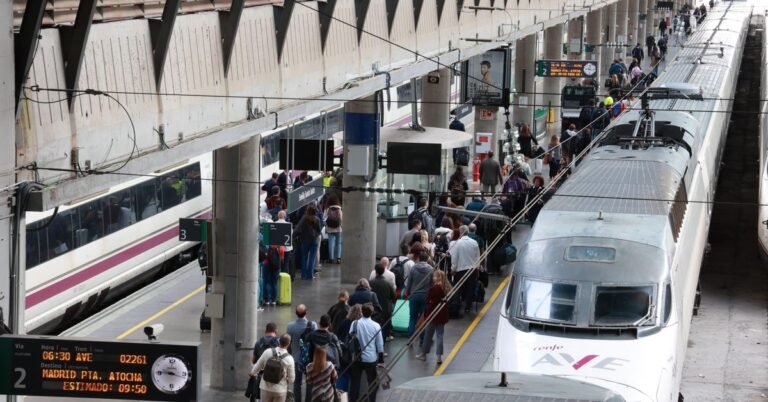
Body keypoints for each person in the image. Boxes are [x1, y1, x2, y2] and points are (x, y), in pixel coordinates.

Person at [348, 304, 384, 402]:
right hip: (371, 358)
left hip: (357, 358)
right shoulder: (376, 326)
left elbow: (350, 337)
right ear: (371, 313)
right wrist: (381, 357)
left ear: (361, 312)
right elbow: (379, 343)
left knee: (355, 382)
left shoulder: (354, 324)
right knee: (372, 383)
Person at [414, 270, 452, 364]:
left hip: (433, 315)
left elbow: (429, 301)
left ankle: (423, 354)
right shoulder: (446, 287)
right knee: (440, 335)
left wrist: (426, 312)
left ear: (438, 277)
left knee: (428, 335)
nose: (433, 278)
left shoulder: (435, 288)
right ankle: (439, 357)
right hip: (442, 315)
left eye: (434, 276)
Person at [251, 334, 295, 402]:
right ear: (289, 344)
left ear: (279, 341)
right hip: (280, 389)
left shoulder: (268, 351)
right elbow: (291, 380)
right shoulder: (289, 359)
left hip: (265, 388)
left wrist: (253, 373)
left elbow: (258, 365)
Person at [287, 305, 317, 402]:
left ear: (296, 313)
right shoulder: (312, 325)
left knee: (297, 383)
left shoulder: (290, 326)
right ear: (306, 312)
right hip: (309, 358)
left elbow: (288, 343)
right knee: (310, 382)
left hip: (296, 358)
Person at [450, 226, 480, 315]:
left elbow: (455, 258)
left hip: (460, 269)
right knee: (470, 288)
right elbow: (478, 257)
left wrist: (453, 269)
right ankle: (468, 307)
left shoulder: (457, 243)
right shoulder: (474, 242)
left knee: (458, 288)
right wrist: (477, 269)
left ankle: (457, 305)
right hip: (472, 269)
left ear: (460, 232)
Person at [405, 242, 433, 337]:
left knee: (412, 318)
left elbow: (409, 283)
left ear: (419, 258)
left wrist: (408, 293)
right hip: (425, 296)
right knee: (423, 317)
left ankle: (410, 337)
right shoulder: (430, 269)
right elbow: (432, 284)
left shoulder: (413, 268)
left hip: (414, 295)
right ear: (427, 259)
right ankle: (422, 338)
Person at [370, 264, 396, 342]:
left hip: (374, 309)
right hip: (386, 308)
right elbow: (393, 296)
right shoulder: (387, 284)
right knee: (385, 325)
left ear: (375, 271)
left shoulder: (371, 283)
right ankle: (383, 339)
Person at [295, 204, 322, 280]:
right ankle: (310, 275)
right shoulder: (317, 219)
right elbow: (319, 230)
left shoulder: (304, 219)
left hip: (304, 240)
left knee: (304, 257)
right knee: (312, 258)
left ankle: (303, 275)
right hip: (314, 240)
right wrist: (316, 234)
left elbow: (298, 229)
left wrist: (295, 236)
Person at [276, 211, 295, 280]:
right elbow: (291, 234)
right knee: (286, 263)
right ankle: (286, 279)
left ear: (278, 216)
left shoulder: (274, 224)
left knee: (278, 263)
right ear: (285, 216)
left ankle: (278, 277)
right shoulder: (289, 225)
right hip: (287, 248)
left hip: (277, 248)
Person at [324, 196, 342, 264]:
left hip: (330, 228)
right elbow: (341, 218)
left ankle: (331, 259)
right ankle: (338, 259)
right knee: (338, 243)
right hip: (338, 229)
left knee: (331, 244)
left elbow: (324, 218)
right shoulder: (339, 209)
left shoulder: (328, 209)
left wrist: (326, 225)